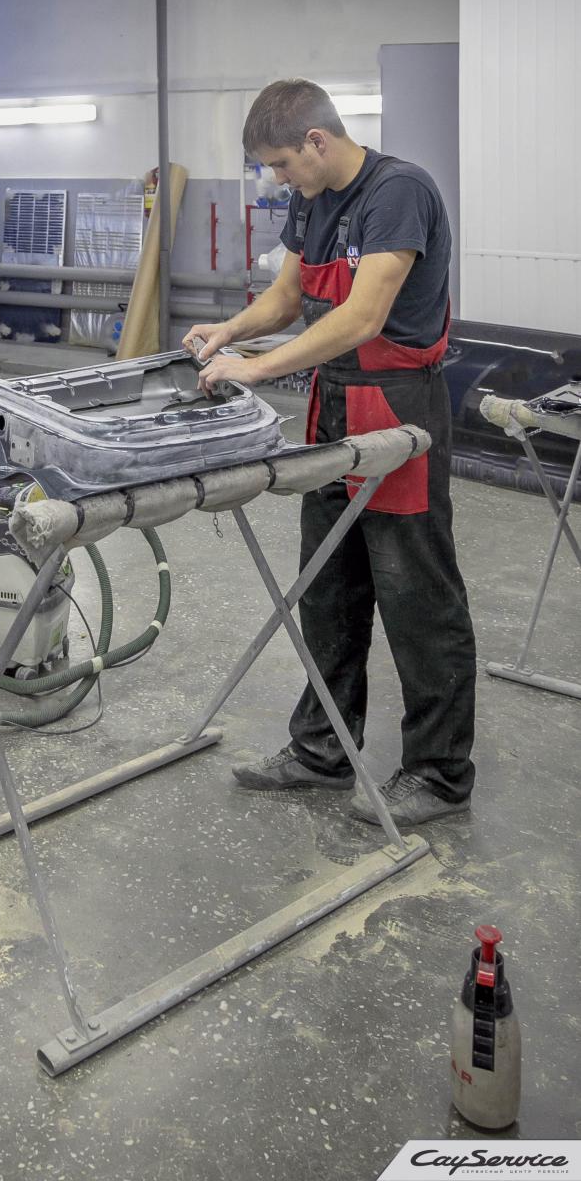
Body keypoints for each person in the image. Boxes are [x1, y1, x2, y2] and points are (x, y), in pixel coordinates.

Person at [183, 78, 476, 827]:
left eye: (283, 164)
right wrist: (229, 333)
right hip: (333, 403)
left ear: (317, 140)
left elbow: (363, 315)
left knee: (415, 593)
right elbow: (288, 299)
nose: (279, 180)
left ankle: (439, 774)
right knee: (326, 585)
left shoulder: (398, 191)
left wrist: (255, 369)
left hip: (397, 408)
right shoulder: (310, 201)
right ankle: (322, 750)